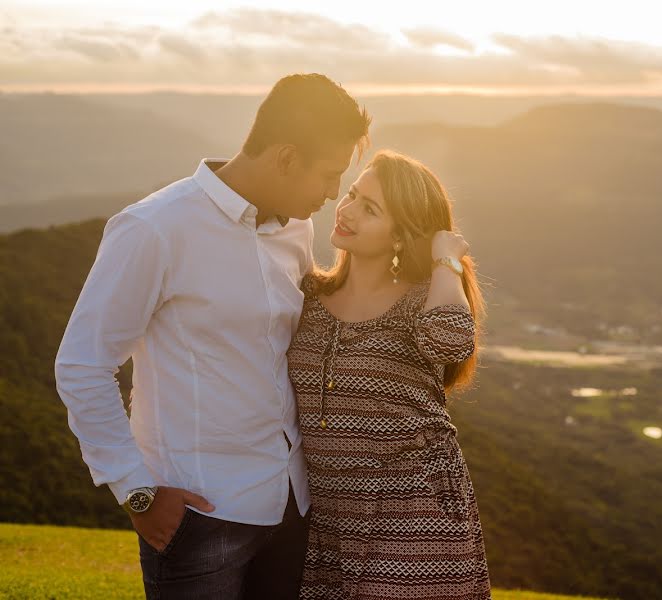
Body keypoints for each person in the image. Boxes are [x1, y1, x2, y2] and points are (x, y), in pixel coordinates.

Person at [54, 73, 370, 599]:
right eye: (330, 174)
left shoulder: (296, 227)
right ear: (286, 157)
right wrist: (136, 492)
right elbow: (82, 366)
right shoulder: (153, 229)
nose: (334, 194)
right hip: (201, 518)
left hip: (293, 504)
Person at [287, 149, 492, 599]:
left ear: (400, 236)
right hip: (330, 516)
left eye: (370, 209)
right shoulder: (308, 294)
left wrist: (444, 259)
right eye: (354, 195)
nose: (347, 211)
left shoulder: (422, 301)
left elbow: (451, 342)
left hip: (415, 513)